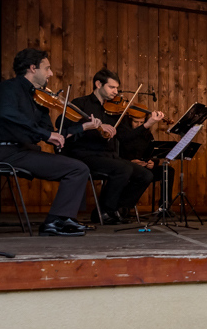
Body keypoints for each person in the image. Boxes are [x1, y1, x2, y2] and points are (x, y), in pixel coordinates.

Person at [0, 48, 100, 237]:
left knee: (78, 168)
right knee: (77, 169)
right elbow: (7, 114)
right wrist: (44, 134)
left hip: (26, 152)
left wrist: (82, 127)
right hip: (7, 152)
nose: (50, 74)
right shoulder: (8, 88)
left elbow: (53, 134)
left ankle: (62, 219)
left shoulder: (39, 99)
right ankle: (55, 222)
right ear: (33, 68)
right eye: (47, 68)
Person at [66, 70, 161, 224]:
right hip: (85, 154)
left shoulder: (115, 110)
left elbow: (124, 137)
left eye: (117, 88)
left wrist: (147, 124)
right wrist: (91, 126)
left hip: (108, 156)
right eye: (112, 87)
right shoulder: (81, 104)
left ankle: (115, 209)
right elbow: (63, 125)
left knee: (146, 175)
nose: (116, 92)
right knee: (123, 169)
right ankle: (105, 211)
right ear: (98, 84)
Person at [117, 101, 173, 214]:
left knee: (168, 170)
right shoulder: (123, 132)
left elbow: (152, 152)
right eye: (136, 122)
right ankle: (123, 208)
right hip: (126, 167)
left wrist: (153, 162)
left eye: (142, 122)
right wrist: (130, 162)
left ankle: (164, 208)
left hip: (143, 168)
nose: (139, 125)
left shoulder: (146, 134)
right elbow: (116, 154)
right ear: (129, 121)